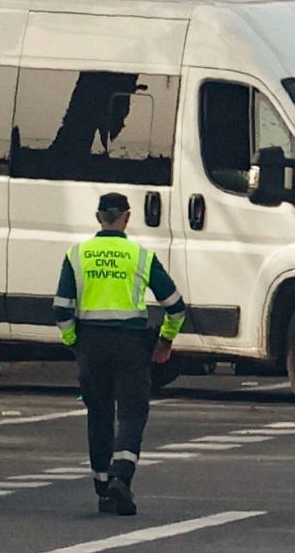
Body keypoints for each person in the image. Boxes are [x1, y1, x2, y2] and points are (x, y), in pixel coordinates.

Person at [54, 193, 187, 515]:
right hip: (130, 345)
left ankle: (103, 489)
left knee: (98, 413)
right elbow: (176, 307)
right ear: (127, 217)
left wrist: (74, 342)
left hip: (91, 343)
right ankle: (121, 477)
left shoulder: (77, 255)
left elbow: (61, 310)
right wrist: (165, 341)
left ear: (98, 216)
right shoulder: (140, 256)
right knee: (131, 413)